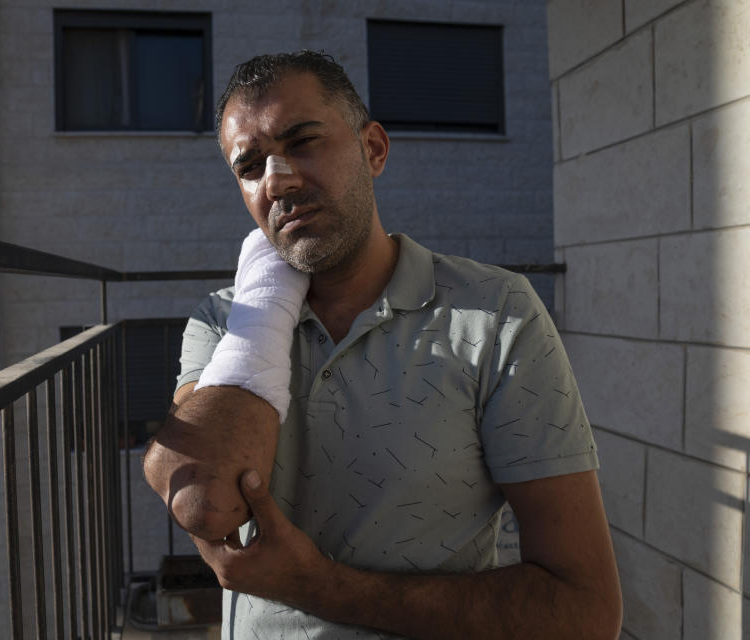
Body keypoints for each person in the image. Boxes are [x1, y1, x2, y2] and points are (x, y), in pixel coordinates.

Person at [143, 51, 622, 639]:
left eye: (303, 141)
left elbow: (584, 611)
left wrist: (316, 586)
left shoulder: (495, 313)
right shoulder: (226, 321)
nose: (278, 180)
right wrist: (265, 301)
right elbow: (202, 505)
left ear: (374, 149)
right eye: (250, 167)